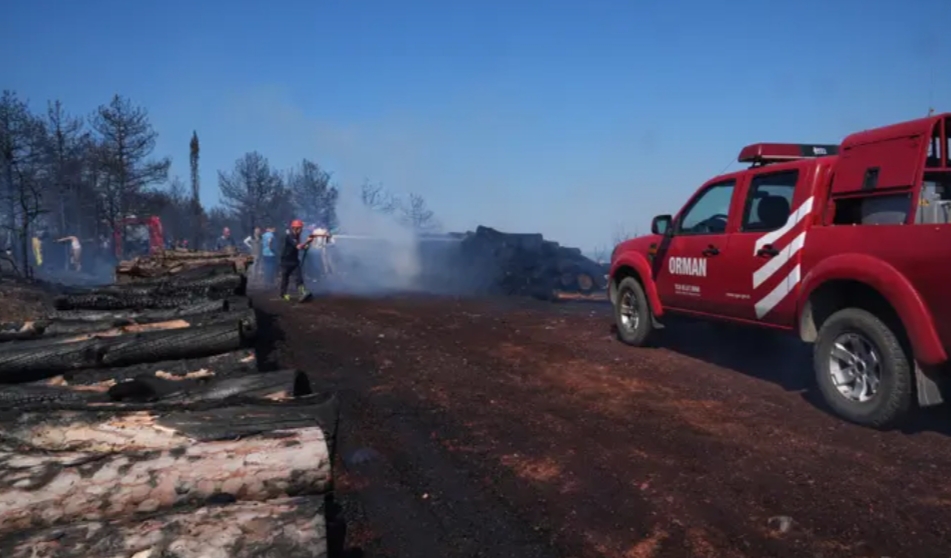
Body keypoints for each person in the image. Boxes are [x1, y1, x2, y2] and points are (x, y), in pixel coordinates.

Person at [280, 219, 308, 301]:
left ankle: (302, 292)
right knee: (285, 278)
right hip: (286, 261)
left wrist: (305, 247)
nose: (301, 230)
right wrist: (307, 242)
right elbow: (298, 246)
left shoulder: (297, 236)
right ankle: (283, 294)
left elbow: (299, 246)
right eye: (300, 228)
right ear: (295, 228)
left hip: (294, 260)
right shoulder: (290, 236)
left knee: (299, 277)